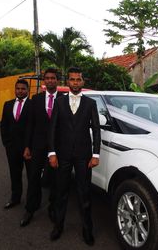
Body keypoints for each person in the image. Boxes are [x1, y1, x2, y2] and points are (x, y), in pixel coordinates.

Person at [47, 67, 101, 245]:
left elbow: (96, 130)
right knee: (61, 192)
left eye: (78, 79)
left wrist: (95, 154)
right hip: (62, 155)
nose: (75, 83)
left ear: (83, 82)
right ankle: (58, 226)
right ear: (67, 82)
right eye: (72, 79)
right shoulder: (60, 102)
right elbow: (52, 128)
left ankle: (87, 229)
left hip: (83, 156)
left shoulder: (90, 104)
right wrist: (52, 152)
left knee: (84, 193)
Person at [20, 68, 61, 227]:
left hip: (57, 147)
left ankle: (52, 208)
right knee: (33, 178)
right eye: (47, 78)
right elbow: (30, 125)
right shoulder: (35, 99)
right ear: (44, 81)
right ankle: (30, 209)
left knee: (55, 180)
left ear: (57, 80)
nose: (50, 80)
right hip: (37, 146)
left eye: (53, 78)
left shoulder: (64, 99)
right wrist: (27, 146)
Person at [0, 79, 31, 209]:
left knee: (32, 176)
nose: (20, 91)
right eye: (18, 88)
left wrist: (29, 146)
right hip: (12, 147)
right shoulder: (7, 104)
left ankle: (32, 201)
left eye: (23, 89)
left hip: (29, 149)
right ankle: (15, 198)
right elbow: (4, 125)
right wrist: (6, 143)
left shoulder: (33, 105)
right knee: (15, 174)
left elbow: (34, 127)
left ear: (27, 91)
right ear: (15, 90)